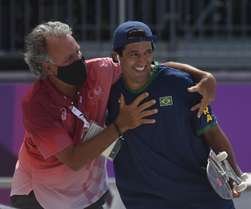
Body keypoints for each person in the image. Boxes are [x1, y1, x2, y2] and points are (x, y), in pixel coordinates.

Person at [10, 21, 217, 209]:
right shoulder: (36, 106)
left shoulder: (98, 70)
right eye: (70, 58)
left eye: (78, 51)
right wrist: (120, 125)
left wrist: (203, 76)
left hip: (89, 193)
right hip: (39, 197)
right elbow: (73, 159)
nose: (80, 59)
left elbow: (146, 67)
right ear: (48, 67)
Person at [107, 21, 243, 209]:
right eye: (134, 54)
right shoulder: (107, 93)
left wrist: (233, 172)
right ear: (116, 55)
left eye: (147, 52)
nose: (142, 61)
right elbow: (103, 147)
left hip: (202, 197)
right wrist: (120, 125)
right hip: (147, 201)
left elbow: (212, 131)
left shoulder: (180, 83)